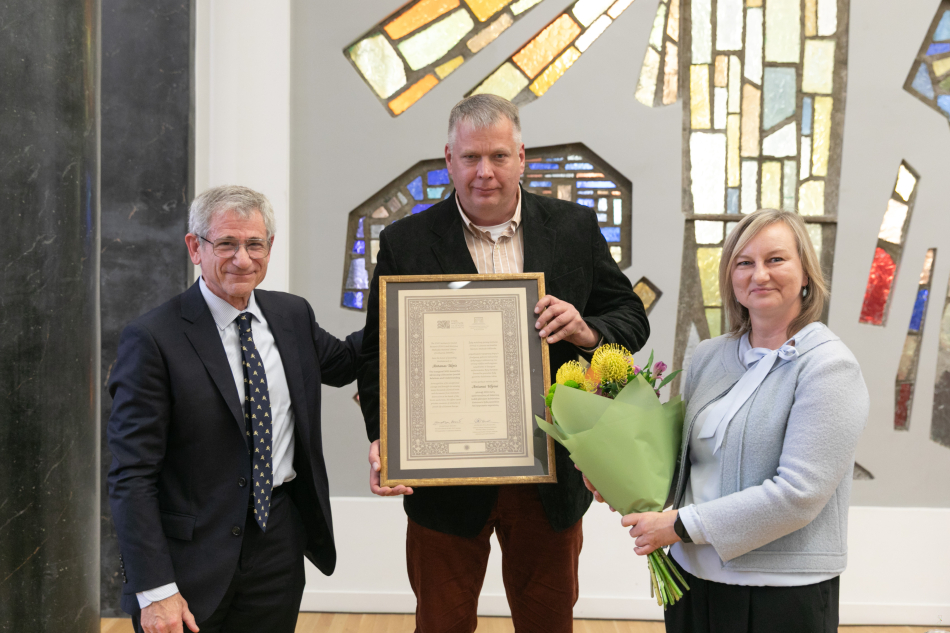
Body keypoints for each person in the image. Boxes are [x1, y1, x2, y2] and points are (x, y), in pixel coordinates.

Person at [356, 94, 650, 632]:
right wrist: (384, 437)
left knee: (548, 623)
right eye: (471, 157)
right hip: (442, 479)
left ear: (522, 157)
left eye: (498, 156)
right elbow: (377, 351)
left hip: (548, 475)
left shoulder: (574, 227)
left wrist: (585, 330)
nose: (484, 172)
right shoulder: (405, 241)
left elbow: (630, 319)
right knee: (440, 625)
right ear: (449, 159)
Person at [587, 208, 869, 632]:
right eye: (744, 262)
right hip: (690, 576)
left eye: (776, 259)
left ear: (806, 274)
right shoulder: (709, 355)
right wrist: (620, 480)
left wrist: (679, 524)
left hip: (780, 591)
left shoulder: (829, 367)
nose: (760, 274)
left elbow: (799, 495)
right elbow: (689, 466)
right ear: (730, 278)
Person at [107, 185, 362, 633]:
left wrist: (410, 304)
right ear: (195, 248)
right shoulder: (152, 339)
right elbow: (132, 475)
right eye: (226, 243)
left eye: (254, 244)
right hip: (189, 558)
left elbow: (349, 363)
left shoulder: (292, 316)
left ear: (269, 247)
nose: (242, 259)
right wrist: (155, 588)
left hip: (278, 545)